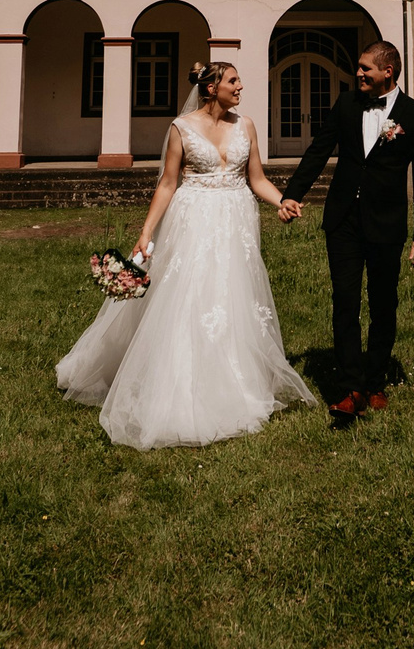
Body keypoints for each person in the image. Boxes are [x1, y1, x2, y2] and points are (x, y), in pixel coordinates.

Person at [55, 60, 315, 448]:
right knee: (190, 296)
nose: (240, 86)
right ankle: (179, 383)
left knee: (233, 296)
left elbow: (256, 178)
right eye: (233, 80)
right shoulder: (182, 128)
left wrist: (282, 201)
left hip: (236, 221)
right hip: (194, 219)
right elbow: (168, 183)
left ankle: (235, 379)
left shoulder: (246, 126)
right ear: (211, 88)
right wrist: (146, 233)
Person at [277, 40, 414, 418]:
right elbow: (318, 150)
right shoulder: (346, 105)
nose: (358, 73)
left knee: (383, 303)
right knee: (344, 302)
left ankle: (375, 381)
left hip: (386, 224)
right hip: (342, 219)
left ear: (388, 72)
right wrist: (291, 194)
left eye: (366, 68)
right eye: (360, 68)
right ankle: (351, 388)